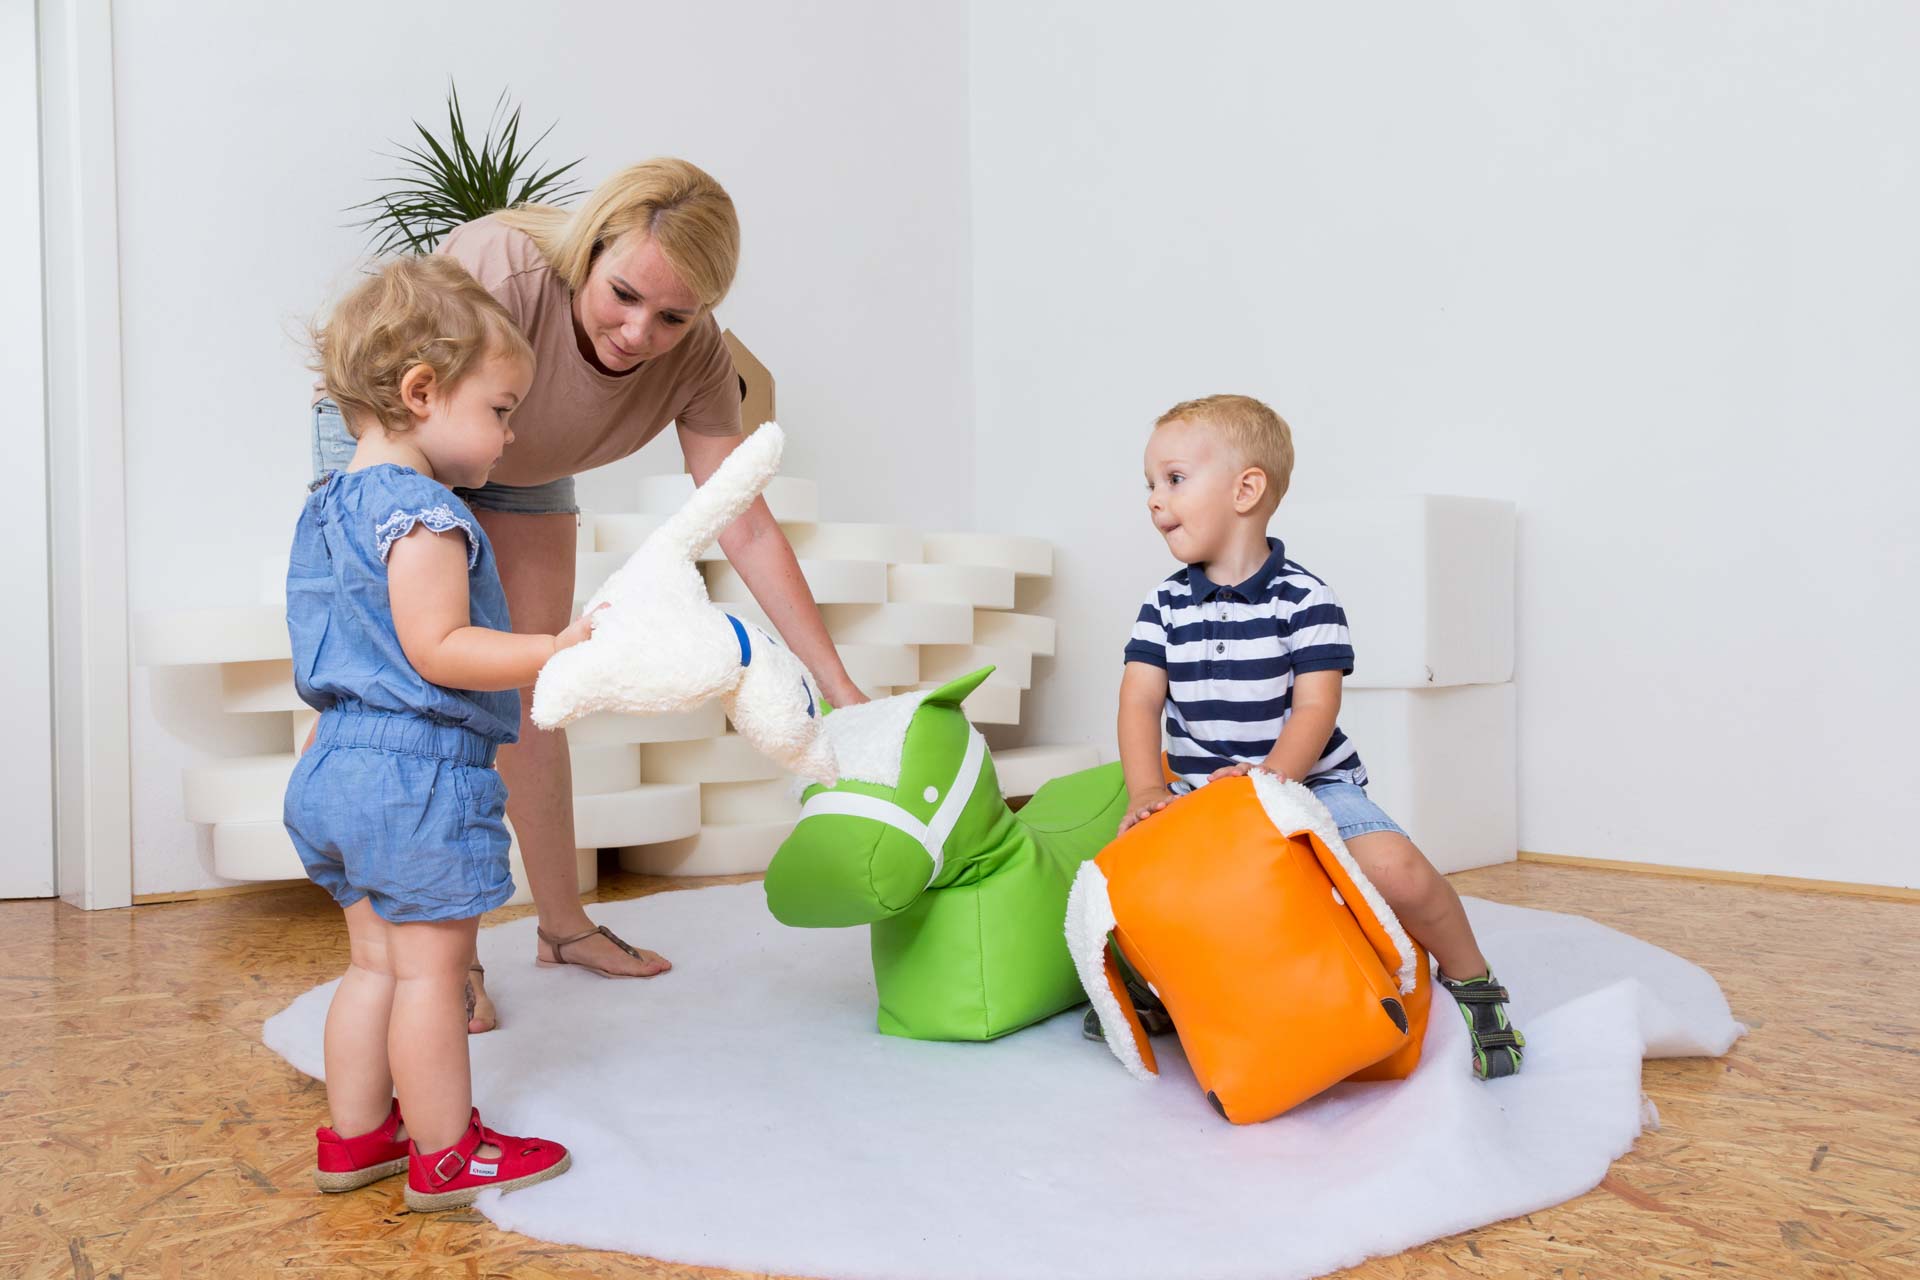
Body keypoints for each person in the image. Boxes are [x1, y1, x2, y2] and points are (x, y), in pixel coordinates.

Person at [310, 158, 867, 1031]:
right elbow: (416, 399)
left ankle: (563, 930)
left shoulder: (699, 359)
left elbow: (744, 524)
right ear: (591, 251)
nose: (640, 333)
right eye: (623, 296)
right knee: (411, 684)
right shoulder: (502, 271)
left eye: (674, 316)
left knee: (537, 688)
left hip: (523, 460)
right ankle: (431, 958)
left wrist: (839, 689)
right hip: (406, 436)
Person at [1114, 394, 1525, 1079]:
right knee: (1132, 881)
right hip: (1202, 791)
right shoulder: (1163, 605)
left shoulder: (1306, 599)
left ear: (1246, 490)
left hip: (1306, 780)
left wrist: (1271, 782)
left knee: (1398, 871)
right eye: (1150, 484)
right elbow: (1139, 700)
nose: (1156, 499)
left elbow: (1315, 706)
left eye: (1174, 479)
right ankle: (1162, 988)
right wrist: (1146, 790)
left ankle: (1472, 977)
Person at [286, 256, 579, 1210]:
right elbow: (441, 647)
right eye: (499, 409)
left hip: (335, 762)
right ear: (422, 393)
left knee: (372, 965)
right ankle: (447, 1153)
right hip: (415, 777)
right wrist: (555, 649)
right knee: (429, 978)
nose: (510, 432)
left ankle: (356, 1137)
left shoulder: (328, 509)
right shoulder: (425, 514)